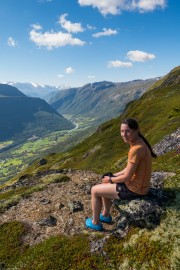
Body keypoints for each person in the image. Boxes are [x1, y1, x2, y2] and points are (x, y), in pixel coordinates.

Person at [85, 118, 157, 231]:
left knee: (95, 190)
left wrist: (111, 180)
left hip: (135, 189)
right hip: (140, 186)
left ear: (136, 130)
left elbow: (127, 177)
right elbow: (128, 169)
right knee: (105, 182)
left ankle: (96, 222)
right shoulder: (139, 143)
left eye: (127, 131)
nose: (124, 134)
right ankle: (105, 215)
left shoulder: (136, 149)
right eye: (122, 131)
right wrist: (111, 176)